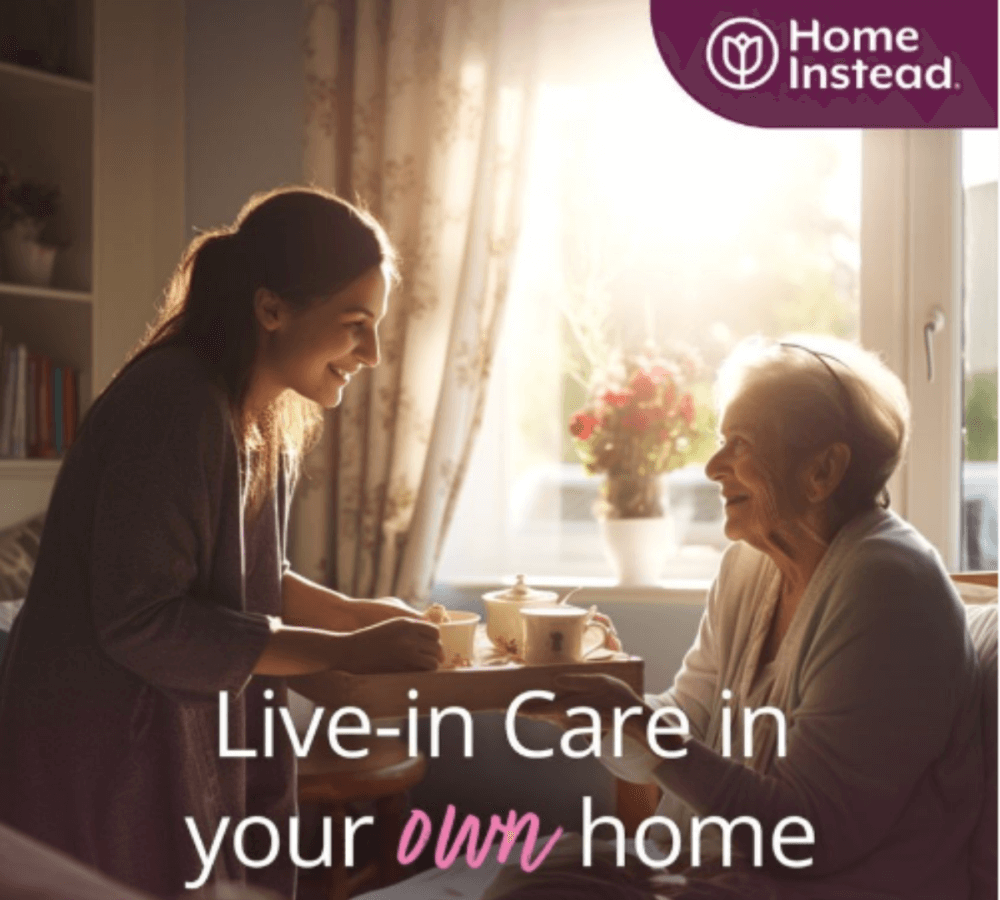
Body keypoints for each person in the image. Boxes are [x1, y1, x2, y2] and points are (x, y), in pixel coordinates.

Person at [0, 187, 443, 898]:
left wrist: (361, 615)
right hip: (99, 748)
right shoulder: (175, 404)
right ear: (271, 309)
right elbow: (142, 620)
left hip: (151, 734)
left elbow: (246, 577)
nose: (374, 354)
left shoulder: (256, 416)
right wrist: (344, 652)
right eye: (356, 324)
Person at [528, 335, 984, 899]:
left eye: (739, 443)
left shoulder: (888, 584)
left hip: (836, 888)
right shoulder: (750, 566)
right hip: (718, 874)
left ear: (823, 469)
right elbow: (688, 722)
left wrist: (640, 727)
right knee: (538, 870)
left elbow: (811, 836)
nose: (714, 466)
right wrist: (599, 710)